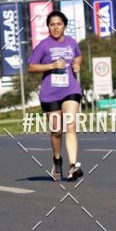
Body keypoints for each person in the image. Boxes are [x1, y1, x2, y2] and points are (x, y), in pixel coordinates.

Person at [28, 10, 84, 182]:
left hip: (70, 89)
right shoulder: (43, 45)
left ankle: (73, 166)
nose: (55, 27)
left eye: (59, 24)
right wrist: (51, 65)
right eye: (52, 24)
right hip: (50, 93)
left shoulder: (72, 42)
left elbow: (79, 56)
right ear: (48, 27)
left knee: (70, 125)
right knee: (56, 131)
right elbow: (31, 67)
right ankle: (57, 159)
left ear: (64, 25)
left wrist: (77, 64)